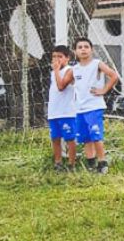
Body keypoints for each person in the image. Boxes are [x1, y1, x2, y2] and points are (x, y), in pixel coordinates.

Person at [71, 37, 119, 174]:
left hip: (94, 106)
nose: (83, 49)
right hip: (80, 108)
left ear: (91, 50)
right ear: (75, 51)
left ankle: (102, 163)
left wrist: (103, 90)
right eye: (80, 47)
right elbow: (69, 83)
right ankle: (91, 164)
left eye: (86, 47)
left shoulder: (97, 64)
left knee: (96, 135)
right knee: (86, 138)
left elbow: (114, 76)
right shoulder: (74, 69)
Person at [48, 45, 77, 171]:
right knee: (55, 138)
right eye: (54, 56)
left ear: (67, 58)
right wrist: (55, 71)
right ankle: (58, 163)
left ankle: (71, 164)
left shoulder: (70, 70)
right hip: (54, 111)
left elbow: (61, 87)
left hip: (67, 112)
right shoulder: (53, 72)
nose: (56, 59)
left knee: (70, 138)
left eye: (60, 56)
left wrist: (56, 71)